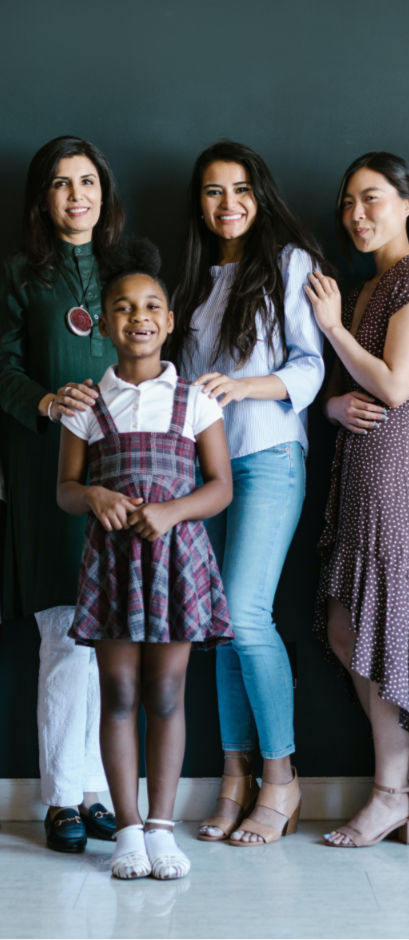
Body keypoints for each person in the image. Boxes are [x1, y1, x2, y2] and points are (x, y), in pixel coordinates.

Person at [57, 238, 233, 879]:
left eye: (152, 305)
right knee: (120, 692)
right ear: (104, 323)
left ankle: (163, 828)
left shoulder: (196, 400)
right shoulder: (85, 405)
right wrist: (94, 495)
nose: (139, 317)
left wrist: (171, 511)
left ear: (170, 318)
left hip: (176, 565)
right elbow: (66, 490)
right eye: (124, 308)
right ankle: (126, 828)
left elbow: (219, 487)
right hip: (112, 568)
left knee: (166, 693)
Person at [167, 141, 324, 846]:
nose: (227, 204)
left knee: (246, 613)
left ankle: (282, 779)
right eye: (211, 192)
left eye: (239, 189)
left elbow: (310, 367)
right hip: (212, 471)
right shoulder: (195, 282)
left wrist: (243, 386)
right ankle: (233, 778)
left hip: (269, 455)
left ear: (259, 194)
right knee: (219, 624)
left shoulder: (289, 264)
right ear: (198, 204)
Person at [305, 151, 409, 848]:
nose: (356, 214)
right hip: (358, 466)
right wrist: (335, 406)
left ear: (408, 203)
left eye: (371, 198)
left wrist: (334, 328)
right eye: (349, 202)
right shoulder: (373, 286)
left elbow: (397, 388)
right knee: (349, 631)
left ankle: (391, 793)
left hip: (395, 470)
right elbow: (363, 391)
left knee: (383, 630)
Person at [0, 135, 124, 852]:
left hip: (124, 469)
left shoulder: (126, 268)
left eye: (88, 180)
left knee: (112, 639)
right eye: (61, 183)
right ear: (42, 198)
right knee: (65, 637)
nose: (77, 194)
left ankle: (100, 792)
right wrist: (46, 402)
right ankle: (61, 800)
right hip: (48, 468)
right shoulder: (19, 274)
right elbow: (1, 365)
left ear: (104, 191)